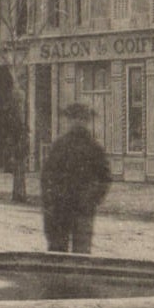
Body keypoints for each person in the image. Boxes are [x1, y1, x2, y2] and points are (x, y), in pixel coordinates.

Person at [40, 104, 111, 254]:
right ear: (69, 121)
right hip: (62, 208)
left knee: (77, 254)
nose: (78, 122)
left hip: (78, 208)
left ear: (86, 122)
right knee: (62, 253)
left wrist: (92, 198)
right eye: (74, 119)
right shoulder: (61, 146)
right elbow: (47, 177)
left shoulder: (93, 148)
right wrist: (50, 200)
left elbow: (104, 178)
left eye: (82, 119)